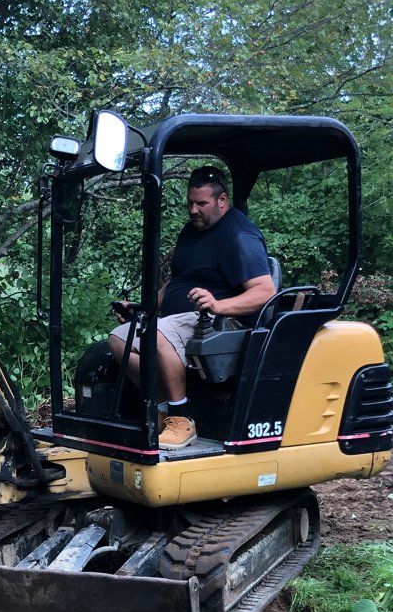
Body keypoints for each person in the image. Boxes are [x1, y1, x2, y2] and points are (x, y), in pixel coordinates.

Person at [108, 166, 276, 447]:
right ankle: (163, 410)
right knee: (118, 339)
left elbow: (265, 291)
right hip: (182, 318)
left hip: (222, 323)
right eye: (190, 203)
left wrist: (218, 305)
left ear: (221, 200)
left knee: (157, 334)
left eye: (202, 203)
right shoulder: (192, 231)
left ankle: (182, 418)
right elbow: (178, 282)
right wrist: (141, 307)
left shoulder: (238, 236)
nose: (194, 210)